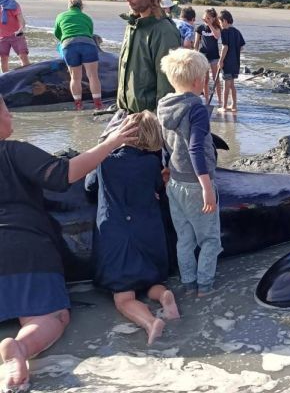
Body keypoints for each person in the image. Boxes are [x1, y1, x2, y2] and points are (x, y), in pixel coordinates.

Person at [0, 93, 137, 392]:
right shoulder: (12, 152)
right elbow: (65, 175)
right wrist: (111, 142)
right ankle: (21, 349)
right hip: (25, 246)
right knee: (50, 317)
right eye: (6, 109)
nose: (11, 116)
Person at [85, 111, 179, 346]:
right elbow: (158, 186)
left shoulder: (105, 161)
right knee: (151, 283)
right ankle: (165, 297)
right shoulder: (150, 163)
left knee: (124, 297)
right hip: (149, 231)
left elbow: (89, 186)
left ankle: (149, 322)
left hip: (117, 233)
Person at [157, 49, 222, 298]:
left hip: (174, 182)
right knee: (209, 240)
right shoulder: (196, 108)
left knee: (184, 238)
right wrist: (206, 187)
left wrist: (166, 167)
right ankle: (204, 287)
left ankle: (188, 283)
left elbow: (165, 142)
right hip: (197, 184)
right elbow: (195, 147)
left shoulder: (164, 105)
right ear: (199, 81)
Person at [113, 0, 182, 114]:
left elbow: (167, 86)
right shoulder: (132, 26)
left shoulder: (164, 32)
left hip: (148, 120)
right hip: (127, 116)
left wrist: (157, 123)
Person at [53, 0, 103, 110]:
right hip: (88, 44)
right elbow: (90, 33)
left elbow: (57, 34)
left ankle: (78, 104)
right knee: (93, 76)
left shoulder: (60, 16)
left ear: (69, 6)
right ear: (81, 7)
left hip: (69, 45)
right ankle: (98, 104)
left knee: (75, 77)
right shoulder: (86, 17)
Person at [218, 9, 245, 112]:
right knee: (232, 85)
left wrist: (221, 60)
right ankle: (234, 105)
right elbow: (242, 47)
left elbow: (225, 47)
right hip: (235, 63)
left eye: (220, 22)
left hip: (227, 63)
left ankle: (224, 106)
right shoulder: (237, 32)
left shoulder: (224, 32)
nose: (220, 25)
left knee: (226, 85)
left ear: (225, 21)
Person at [194, 8, 222, 103]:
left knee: (216, 79)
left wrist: (210, 25)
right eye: (205, 17)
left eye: (208, 18)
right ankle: (206, 100)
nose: (206, 19)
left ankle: (220, 100)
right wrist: (195, 54)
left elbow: (217, 36)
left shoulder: (217, 27)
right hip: (203, 55)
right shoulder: (200, 28)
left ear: (213, 18)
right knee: (205, 79)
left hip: (214, 56)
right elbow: (197, 42)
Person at [0, 0, 29, 73]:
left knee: (23, 56)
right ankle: (5, 80)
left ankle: (27, 76)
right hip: (2, 37)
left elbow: (21, 21)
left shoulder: (13, 4)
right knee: (3, 58)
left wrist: (20, 30)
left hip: (16, 35)